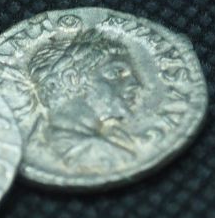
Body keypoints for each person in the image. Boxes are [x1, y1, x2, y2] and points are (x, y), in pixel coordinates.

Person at [27, 29, 146, 171]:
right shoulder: (108, 156)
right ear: (71, 79)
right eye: (116, 72)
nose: (136, 84)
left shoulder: (33, 141)